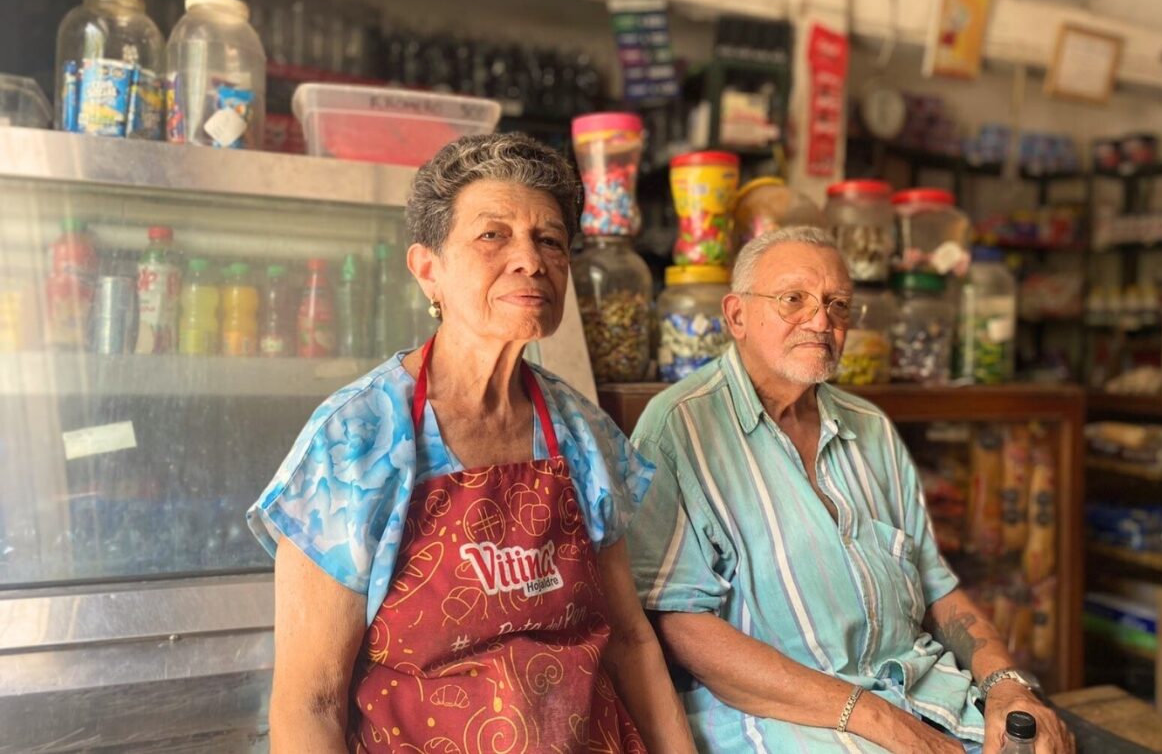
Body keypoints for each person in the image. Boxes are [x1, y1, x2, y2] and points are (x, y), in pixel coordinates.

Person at [248, 133, 695, 753]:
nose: (530, 260)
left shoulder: (581, 432)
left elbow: (629, 641)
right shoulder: (356, 440)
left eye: (550, 240)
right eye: (493, 235)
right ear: (427, 269)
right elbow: (311, 701)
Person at [625, 226, 1074, 753]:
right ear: (737, 315)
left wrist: (1006, 685)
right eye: (794, 299)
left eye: (837, 304)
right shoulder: (679, 428)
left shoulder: (870, 427)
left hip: (927, 697)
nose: (821, 322)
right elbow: (678, 623)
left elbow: (937, 588)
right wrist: (875, 718)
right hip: (789, 721)